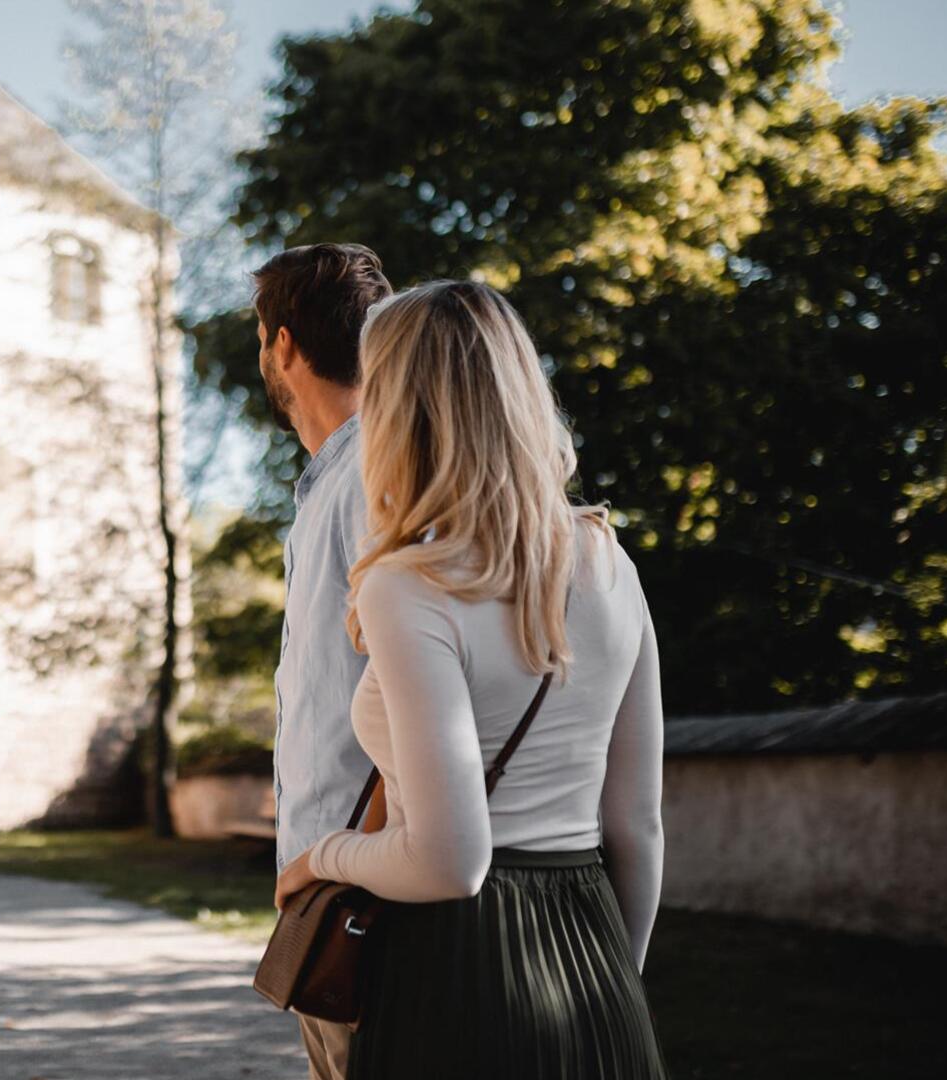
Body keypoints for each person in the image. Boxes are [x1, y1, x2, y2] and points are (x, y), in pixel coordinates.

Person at [273, 280, 669, 1078]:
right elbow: (637, 825)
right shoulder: (609, 564)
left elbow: (451, 860)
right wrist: (609, 984)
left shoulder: (408, 584)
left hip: (451, 975)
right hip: (595, 969)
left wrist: (321, 859)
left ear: (397, 406)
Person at [251, 242, 393, 1080]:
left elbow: (420, 691)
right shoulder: (330, 484)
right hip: (333, 896)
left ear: (284, 347)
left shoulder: (373, 475)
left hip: (366, 907)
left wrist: (346, 877)